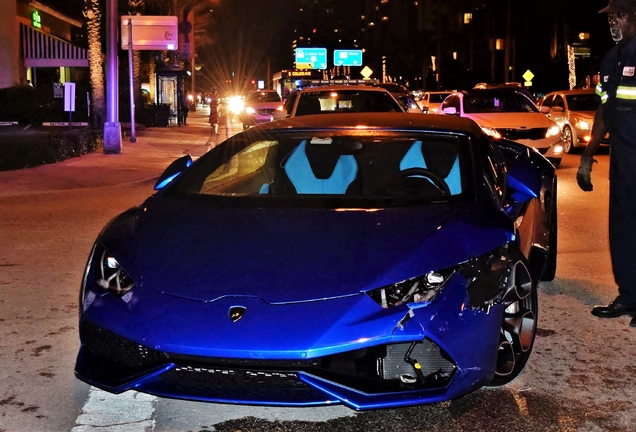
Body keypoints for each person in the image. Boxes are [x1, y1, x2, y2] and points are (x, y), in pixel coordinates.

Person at [577, 0, 636, 325]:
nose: (613, 22)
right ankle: (629, 297)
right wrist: (587, 155)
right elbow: (604, 111)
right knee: (623, 231)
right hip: (623, 161)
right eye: (610, 17)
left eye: (620, 16)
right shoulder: (612, 60)